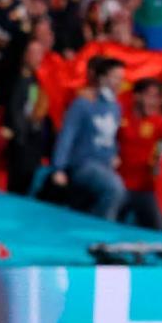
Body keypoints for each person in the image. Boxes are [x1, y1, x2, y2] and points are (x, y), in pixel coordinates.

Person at [50, 57, 127, 220]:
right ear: (102, 78)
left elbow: (113, 137)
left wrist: (115, 153)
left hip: (104, 165)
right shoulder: (83, 103)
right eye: (115, 77)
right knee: (115, 188)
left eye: (121, 78)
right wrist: (58, 168)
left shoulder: (116, 107)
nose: (119, 82)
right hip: (83, 164)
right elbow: (67, 135)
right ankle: (100, 231)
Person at [116, 78, 162, 229]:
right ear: (137, 96)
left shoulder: (159, 121)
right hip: (118, 185)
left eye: (157, 97)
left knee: (158, 229)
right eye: (150, 96)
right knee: (107, 224)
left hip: (146, 188)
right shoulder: (120, 114)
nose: (154, 101)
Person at [6, 39, 50, 195]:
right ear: (25, 55)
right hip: (20, 141)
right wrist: (20, 136)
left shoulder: (36, 80)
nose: (39, 57)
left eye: (41, 53)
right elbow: (14, 109)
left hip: (32, 140)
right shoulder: (17, 78)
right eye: (34, 53)